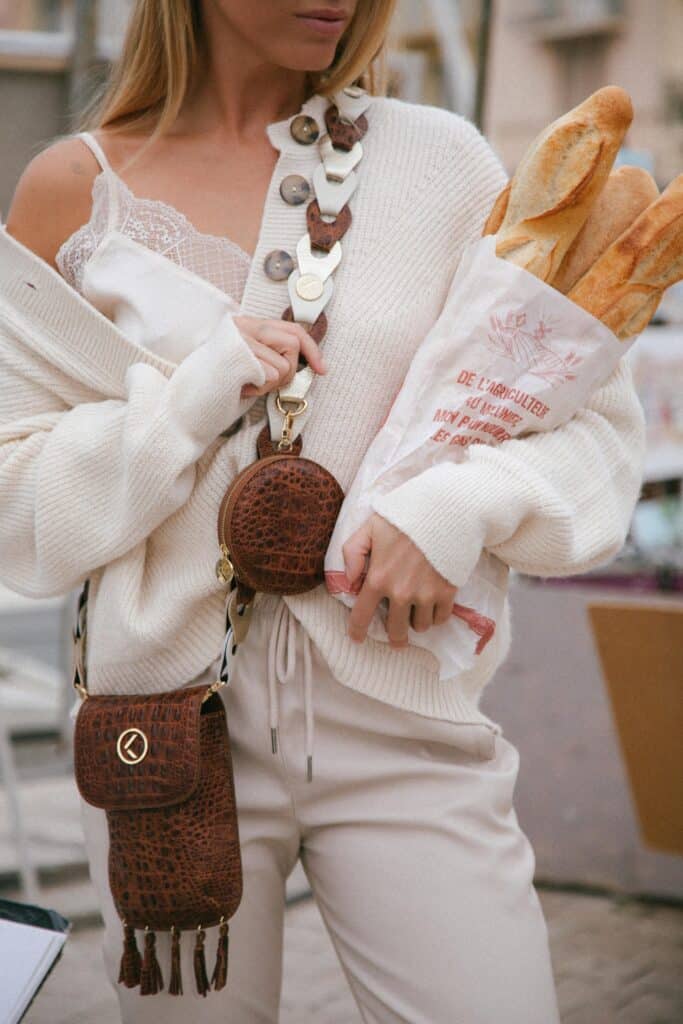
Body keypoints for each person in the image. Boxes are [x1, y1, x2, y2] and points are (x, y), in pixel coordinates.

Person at [1, 1, 645, 1021]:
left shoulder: (440, 166)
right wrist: (187, 402)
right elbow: (14, 501)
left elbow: (597, 432)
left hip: (404, 726)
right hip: (167, 747)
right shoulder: (73, 194)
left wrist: (457, 507)